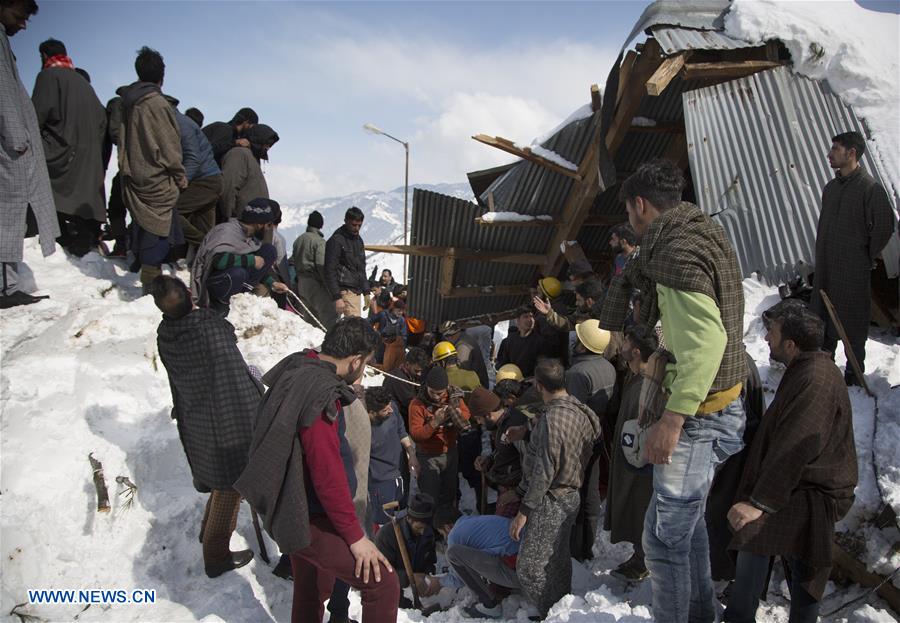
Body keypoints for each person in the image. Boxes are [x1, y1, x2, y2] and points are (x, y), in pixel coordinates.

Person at [621, 159, 747, 623]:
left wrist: (672, 420)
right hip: (719, 403)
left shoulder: (673, 252)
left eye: (628, 212)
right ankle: (700, 614)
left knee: (662, 541)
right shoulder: (701, 231)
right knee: (686, 528)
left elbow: (708, 340)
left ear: (640, 205)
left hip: (697, 417)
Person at [235, 317, 399, 623]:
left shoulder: (303, 365)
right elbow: (326, 472)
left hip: (294, 504)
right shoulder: (320, 393)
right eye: (365, 364)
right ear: (355, 361)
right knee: (382, 582)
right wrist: (355, 537)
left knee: (311, 588)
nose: (363, 370)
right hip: (307, 513)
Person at [724, 301, 857, 623]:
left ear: (791, 344)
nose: (766, 338)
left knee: (754, 532)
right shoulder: (805, 369)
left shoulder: (816, 379)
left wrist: (759, 503)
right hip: (798, 484)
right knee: (779, 550)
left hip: (813, 491)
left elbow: (795, 447)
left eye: (772, 332)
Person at [151, 275, 260, 577]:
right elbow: (235, 372)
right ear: (189, 294)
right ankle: (216, 556)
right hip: (228, 418)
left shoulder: (166, 333)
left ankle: (205, 531)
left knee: (219, 479)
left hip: (197, 416)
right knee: (230, 487)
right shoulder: (208, 328)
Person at [509, 358, 601, 619]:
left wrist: (524, 510)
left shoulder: (553, 419)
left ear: (539, 386)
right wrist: (529, 433)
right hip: (572, 494)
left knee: (530, 568)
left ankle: (551, 612)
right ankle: (560, 607)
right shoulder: (581, 410)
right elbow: (587, 439)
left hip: (552, 498)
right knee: (557, 560)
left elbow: (544, 471)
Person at [809, 131, 896, 386]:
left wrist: (864, 254)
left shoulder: (870, 188)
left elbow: (884, 226)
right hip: (826, 266)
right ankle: (823, 367)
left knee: (852, 319)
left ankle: (854, 373)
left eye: (835, 149)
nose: (829, 154)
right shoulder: (831, 188)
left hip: (852, 269)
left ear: (851, 153)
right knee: (822, 317)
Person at [0, 0, 60, 309]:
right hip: (11, 148)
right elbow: (3, 92)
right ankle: (5, 288)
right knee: (7, 217)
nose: (22, 25)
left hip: (12, 145)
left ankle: (7, 285)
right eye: (19, 16)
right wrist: (17, 138)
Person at [116, 46, 187, 292]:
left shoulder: (127, 102)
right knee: (158, 234)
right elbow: (169, 145)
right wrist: (179, 175)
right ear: (161, 76)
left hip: (134, 174)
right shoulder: (156, 104)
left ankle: (150, 278)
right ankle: (151, 285)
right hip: (157, 178)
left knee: (146, 228)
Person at [31, 37, 107, 257]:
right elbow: (102, 120)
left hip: (60, 151)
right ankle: (81, 242)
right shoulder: (83, 83)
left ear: (44, 55)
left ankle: (54, 237)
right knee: (81, 198)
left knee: (43, 189)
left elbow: (35, 117)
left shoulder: (48, 76)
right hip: (87, 154)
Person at [604, 324, 657, 582]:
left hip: (640, 464)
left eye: (625, 341)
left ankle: (644, 561)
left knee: (640, 508)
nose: (621, 344)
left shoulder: (648, 384)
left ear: (636, 351)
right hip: (630, 458)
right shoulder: (636, 376)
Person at [565, 320, 615, 561]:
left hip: (580, 440)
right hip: (598, 434)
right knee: (591, 490)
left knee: (575, 491)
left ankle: (576, 548)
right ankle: (587, 545)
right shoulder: (608, 367)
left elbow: (572, 414)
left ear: (583, 345)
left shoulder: (577, 373)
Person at [189, 197, 288, 313]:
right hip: (215, 282)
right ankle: (221, 306)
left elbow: (254, 265)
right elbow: (218, 261)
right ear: (259, 224)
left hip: (237, 279)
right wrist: (251, 260)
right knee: (238, 273)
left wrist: (272, 283)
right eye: (269, 225)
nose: (269, 229)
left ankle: (242, 296)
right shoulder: (227, 232)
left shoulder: (251, 237)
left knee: (269, 251)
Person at [408, 366, 472, 527]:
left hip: (450, 452)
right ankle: (431, 530)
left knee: (449, 493)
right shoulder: (417, 404)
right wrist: (435, 422)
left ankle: (448, 526)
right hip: (428, 456)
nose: (437, 397)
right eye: (433, 392)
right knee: (430, 496)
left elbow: (466, 413)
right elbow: (417, 435)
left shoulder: (453, 398)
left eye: (440, 393)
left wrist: (457, 413)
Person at [164, 95, 222, 255]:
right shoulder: (179, 123)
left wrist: (180, 184)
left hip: (205, 181)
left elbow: (193, 158)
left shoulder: (182, 124)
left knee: (168, 210)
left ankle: (204, 246)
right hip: (210, 180)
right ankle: (208, 252)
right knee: (204, 227)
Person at [445, 514, 522, 619]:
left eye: (442, 534)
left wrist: (438, 582)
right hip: (527, 560)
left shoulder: (453, 535)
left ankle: (489, 606)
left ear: (447, 527)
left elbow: (459, 579)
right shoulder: (473, 521)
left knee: (452, 553)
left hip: (520, 571)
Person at [470, 387, 528, 518]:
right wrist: (489, 459)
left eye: (479, 418)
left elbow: (531, 463)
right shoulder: (502, 423)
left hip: (515, 493)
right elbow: (505, 450)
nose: (479, 423)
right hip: (508, 488)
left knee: (502, 527)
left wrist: (518, 492)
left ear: (488, 414)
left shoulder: (513, 427)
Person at [366, 386, 419, 530]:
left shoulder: (392, 407)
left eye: (390, 406)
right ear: (371, 413)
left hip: (401, 473)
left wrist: (411, 454)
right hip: (381, 481)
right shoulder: (364, 427)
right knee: (385, 523)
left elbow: (401, 431)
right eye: (385, 410)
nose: (390, 410)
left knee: (402, 513)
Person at [373, 493, 437, 600]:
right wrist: (409, 578)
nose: (422, 532)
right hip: (391, 592)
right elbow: (382, 572)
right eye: (419, 528)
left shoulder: (428, 534)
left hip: (418, 593)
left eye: (425, 528)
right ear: (409, 519)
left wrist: (427, 577)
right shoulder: (386, 535)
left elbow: (430, 562)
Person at [218, 123, 278, 222]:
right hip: (240, 220)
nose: (267, 148)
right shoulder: (239, 154)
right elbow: (229, 185)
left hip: (252, 221)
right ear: (258, 141)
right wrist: (229, 215)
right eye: (266, 143)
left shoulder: (251, 157)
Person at [292, 209, 339, 328]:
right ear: (321, 225)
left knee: (309, 319)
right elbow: (321, 265)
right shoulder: (319, 242)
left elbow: (293, 260)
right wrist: (330, 287)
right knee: (329, 315)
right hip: (315, 283)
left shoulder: (298, 240)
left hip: (301, 283)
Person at [325, 207, 369, 319]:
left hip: (355, 291)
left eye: (359, 225)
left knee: (352, 324)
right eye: (354, 225)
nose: (357, 228)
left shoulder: (358, 240)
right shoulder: (337, 240)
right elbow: (330, 269)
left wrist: (366, 291)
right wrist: (337, 296)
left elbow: (361, 268)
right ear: (346, 221)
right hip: (344, 290)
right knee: (355, 325)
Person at [382, 346, 427, 429]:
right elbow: (411, 403)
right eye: (417, 371)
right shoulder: (398, 379)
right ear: (407, 364)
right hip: (396, 423)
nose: (419, 374)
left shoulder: (410, 376)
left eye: (421, 371)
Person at [495, 308, 546, 378]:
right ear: (518, 321)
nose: (530, 320)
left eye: (531, 316)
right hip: (512, 378)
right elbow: (504, 362)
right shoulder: (510, 339)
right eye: (526, 317)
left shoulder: (539, 341)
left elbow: (542, 365)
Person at [439, 321, 490, 388]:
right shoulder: (463, 337)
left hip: (476, 386)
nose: (446, 340)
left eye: (446, 337)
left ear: (449, 336)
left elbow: (460, 371)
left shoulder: (463, 347)